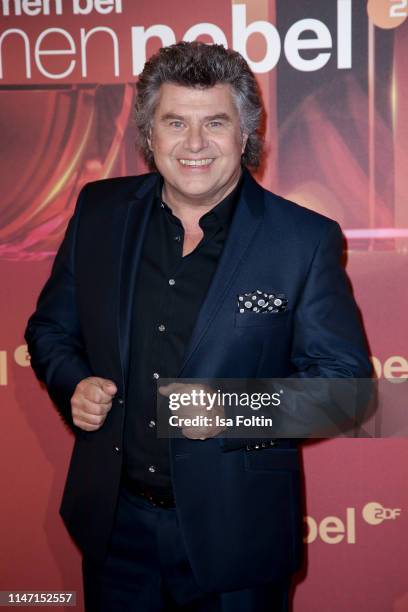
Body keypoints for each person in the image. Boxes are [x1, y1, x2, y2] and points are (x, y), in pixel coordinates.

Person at [25, 41, 372, 612]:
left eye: (214, 122)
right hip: (116, 532)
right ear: (149, 134)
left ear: (245, 133)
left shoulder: (302, 241)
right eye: (174, 123)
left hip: (236, 543)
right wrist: (72, 383)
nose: (193, 144)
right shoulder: (99, 212)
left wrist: (224, 412)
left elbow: (346, 390)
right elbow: (50, 330)